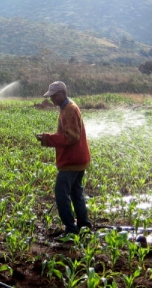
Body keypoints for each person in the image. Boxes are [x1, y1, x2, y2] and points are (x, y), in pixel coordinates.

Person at [36, 81, 92, 237]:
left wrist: (48, 139)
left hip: (72, 160)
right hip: (79, 158)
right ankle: (84, 225)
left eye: (54, 96)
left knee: (61, 193)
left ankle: (71, 229)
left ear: (62, 94)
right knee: (76, 193)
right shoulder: (67, 107)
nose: (52, 100)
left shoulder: (69, 110)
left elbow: (71, 137)